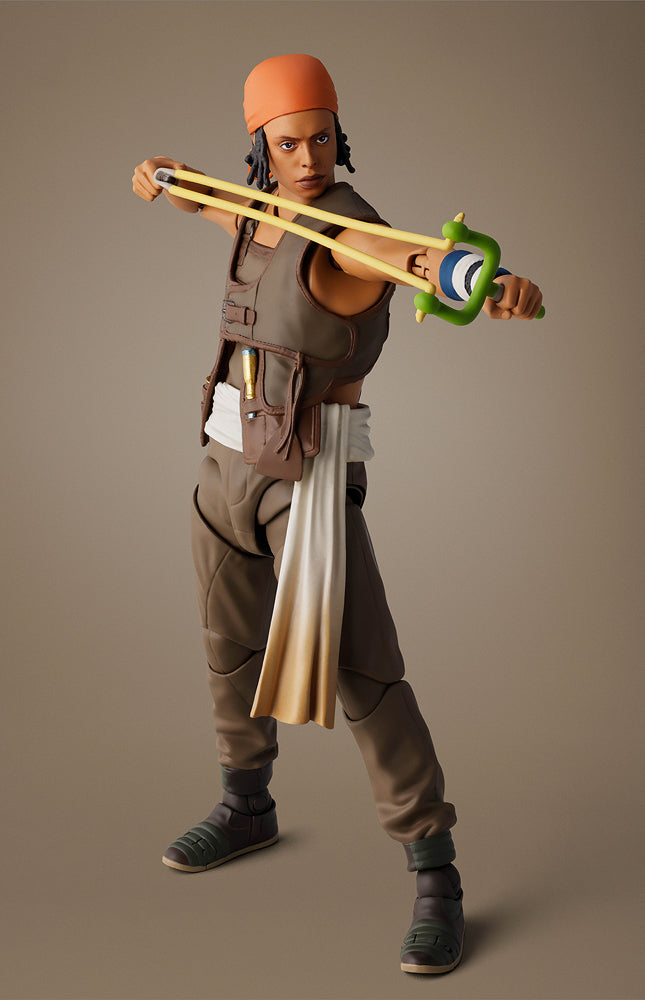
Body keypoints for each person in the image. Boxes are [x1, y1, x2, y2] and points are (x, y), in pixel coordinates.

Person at [132, 54, 542, 975]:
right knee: (227, 646)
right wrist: (164, 178)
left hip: (305, 480)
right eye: (289, 143)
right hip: (225, 463)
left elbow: (414, 260)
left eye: (322, 139)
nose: (310, 158)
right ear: (261, 147)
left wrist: (485, 280)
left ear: (337, 136)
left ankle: (434, 871)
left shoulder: (346, 232)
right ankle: (246, 804)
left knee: (363, 671)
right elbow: (209, 200)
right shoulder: (258, 210)